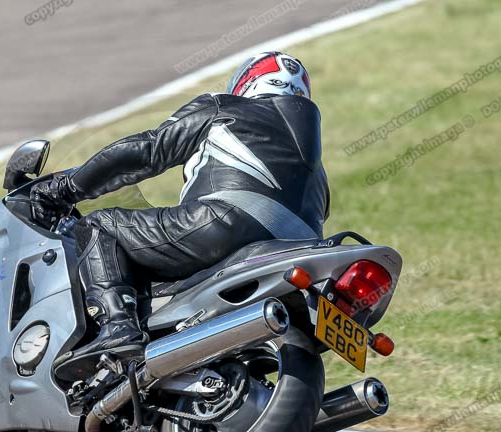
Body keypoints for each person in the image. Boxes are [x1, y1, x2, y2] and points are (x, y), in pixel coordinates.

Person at [31, 51, 330, 373]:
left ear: (245, 83)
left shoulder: (224, 107)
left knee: (100, 226)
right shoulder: (319, 173)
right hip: (299, 249)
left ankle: (118, 327)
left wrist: (64, 188)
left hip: (225, 225)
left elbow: (146, 151)